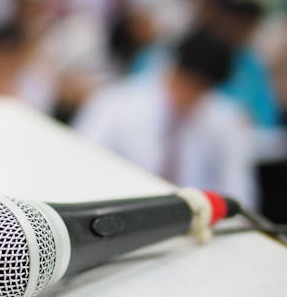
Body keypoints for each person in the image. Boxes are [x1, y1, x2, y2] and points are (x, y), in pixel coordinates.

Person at [75, 30, 255, 206]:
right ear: (174, 69)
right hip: (118, 204)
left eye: (202, 89)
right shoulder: (116, 101)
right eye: (188, 82)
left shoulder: (227, 121)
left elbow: (239, 194)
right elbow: (82, 158)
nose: (190, 95)